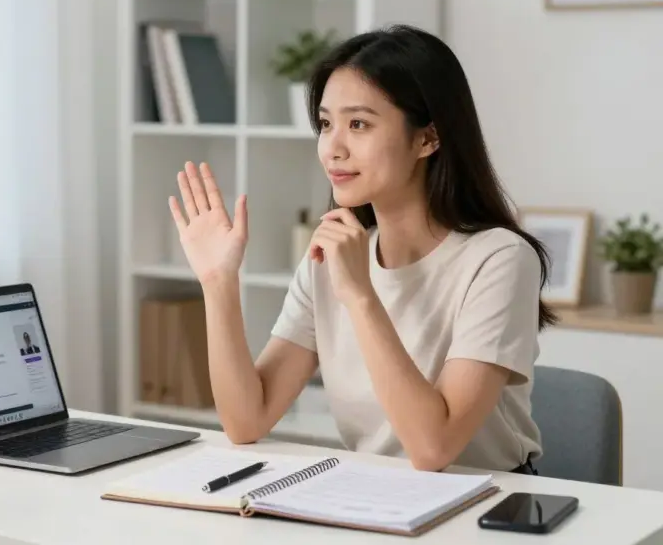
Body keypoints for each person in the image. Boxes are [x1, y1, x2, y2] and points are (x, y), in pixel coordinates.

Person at [167, 24, 554, 475]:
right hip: (376, 500)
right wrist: (218, 281)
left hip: (486, 505)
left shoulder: (499, 259)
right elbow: (245, 421)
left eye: (358, 124)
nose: (333, 147)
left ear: (428, 138)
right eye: (326, 124)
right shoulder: (333, 256)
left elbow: (434, 449)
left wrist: (360, 295)